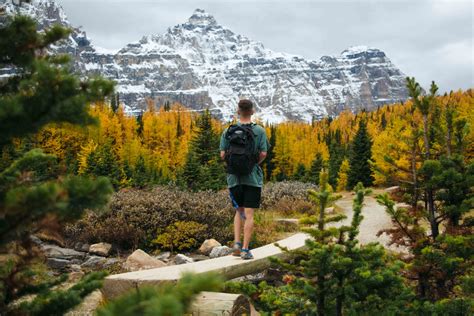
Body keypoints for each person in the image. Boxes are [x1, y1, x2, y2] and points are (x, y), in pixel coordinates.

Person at [219, 99, 269, 260]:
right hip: (252, 178)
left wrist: (233, 165)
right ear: (252, 111)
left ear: (238, 111)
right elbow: (263, 153)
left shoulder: (228, 131)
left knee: (239, 210)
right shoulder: (259, 131)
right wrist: (252, 164)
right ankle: (246, 249)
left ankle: (236, 244)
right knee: (249, 213)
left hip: (234, 179)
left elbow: (222, 154)